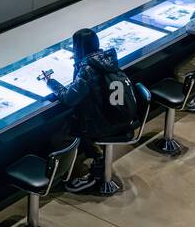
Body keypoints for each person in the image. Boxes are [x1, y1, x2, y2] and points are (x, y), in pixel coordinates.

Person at [45, 28, 139, 193]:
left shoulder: (87, 69)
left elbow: (69, 98)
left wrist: (51, 83)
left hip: (106, 125)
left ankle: (94, 172)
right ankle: (97, 157)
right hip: (122, 117)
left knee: (63, 132)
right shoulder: (108, 59)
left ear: (78, 47)